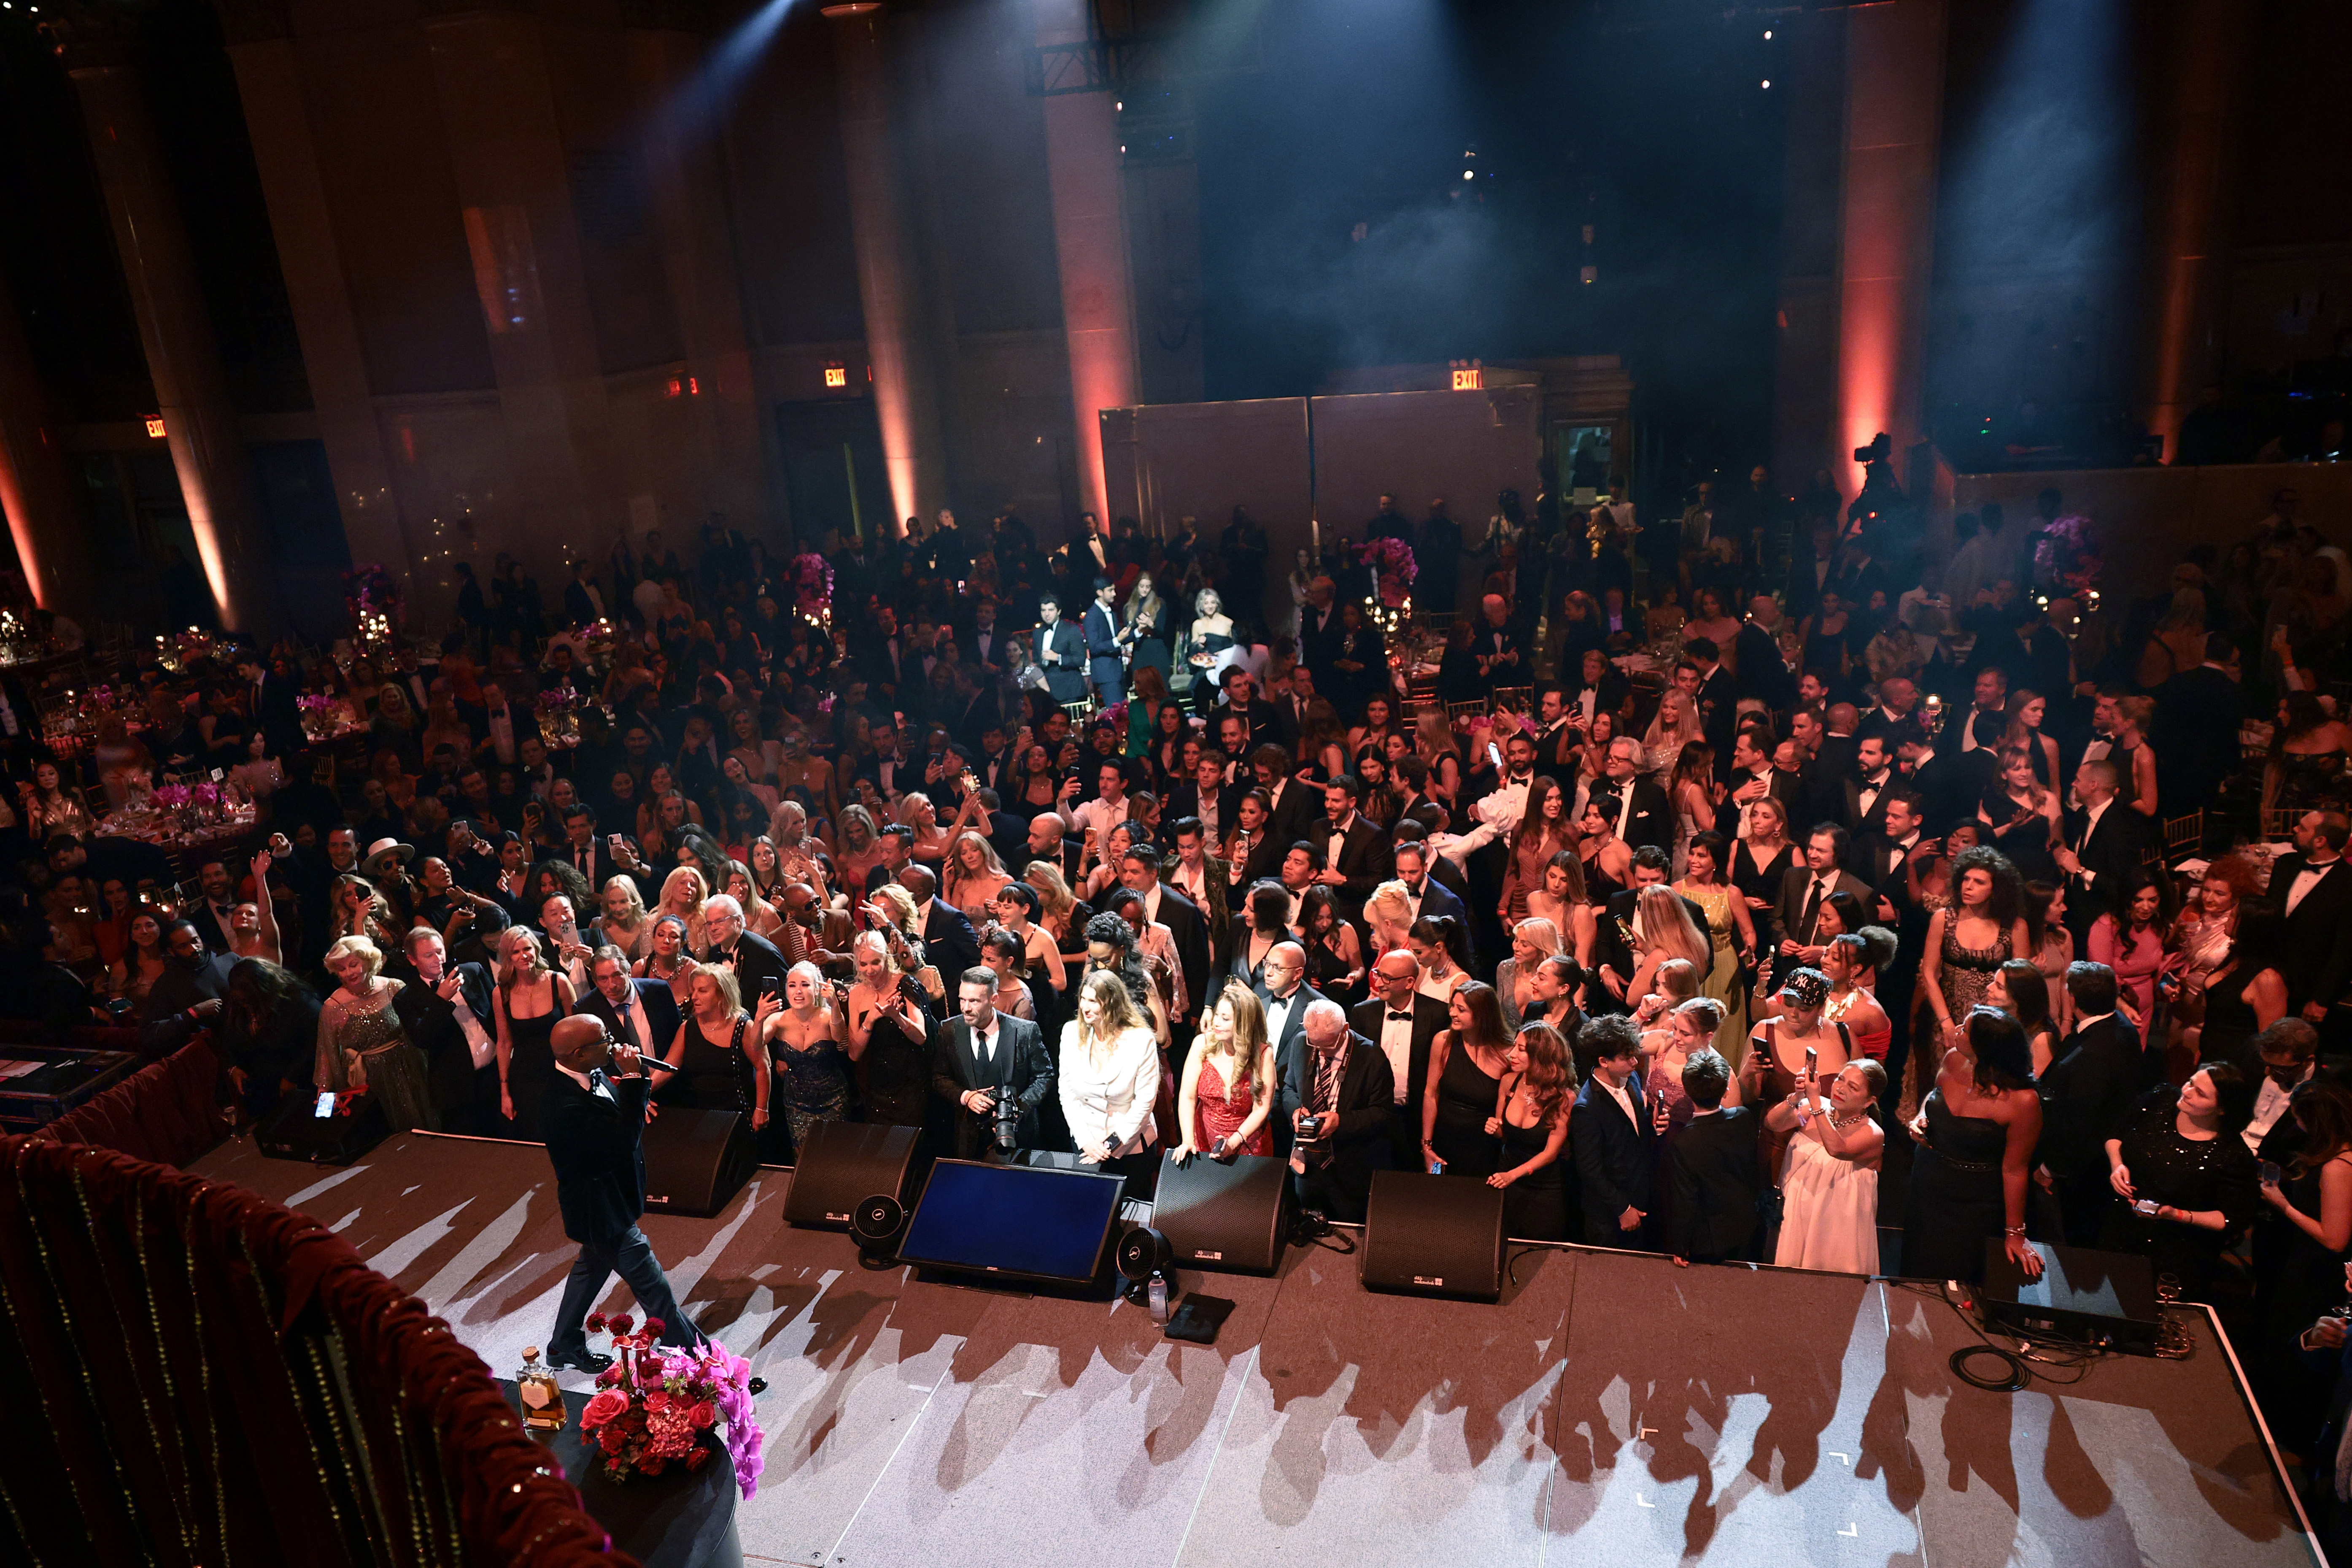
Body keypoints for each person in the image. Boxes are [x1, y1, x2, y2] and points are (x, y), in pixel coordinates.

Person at [540, 1014, 704, 1372]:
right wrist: (632, 1079)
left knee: (590, 1271)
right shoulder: (561, 1104)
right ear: (579, 1054)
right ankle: (702, 1363)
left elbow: (619, 1121)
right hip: (601, 1211)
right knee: (656, 1290)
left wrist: (631, 1079)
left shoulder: (589, 1072)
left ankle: (562, 1344)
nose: (614, 1042)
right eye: (605, 1039)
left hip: (610, 1200)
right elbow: (621, 1142)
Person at [1904, 1007, 2045, 1285]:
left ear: (1986, 1047)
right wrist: (1920, 1117)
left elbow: (2015, 1169)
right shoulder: (1953, 1059)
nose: (1957, 1029)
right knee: (1916, 1268)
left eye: (1966, 1029)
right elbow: (1934, 1097)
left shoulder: (2024, 1101)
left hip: (1973, 1201)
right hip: (1928, 1183)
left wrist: (2015, 1232)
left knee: (1959, 1278)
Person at [2103, 1062, 2260, 1302]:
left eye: (2200, 1093)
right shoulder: (2160, 1100)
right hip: (2121, 1229)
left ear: (2222, 1109)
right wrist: (2118, 1165)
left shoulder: (2232, 1155)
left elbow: (2232, 1219)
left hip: (2178, 1251)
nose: (2186, 1092)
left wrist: (2175, 1214)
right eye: (2191, 1082)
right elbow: (2116, 1134)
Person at [2034, 962, 2143, 1246]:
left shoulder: (2093, 1055)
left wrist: (2049, 1169)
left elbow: (2078, 1122)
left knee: (2069, 1242)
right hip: (2096, 1159)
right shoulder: (2120, 1024)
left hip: (2081, 1172)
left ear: (2073, 999)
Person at [1769, 1056, 1886, 1274]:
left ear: (1869, 1101)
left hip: (1836, 1225)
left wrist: (1814, 1103)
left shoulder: (1872, 1133)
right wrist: (1797, 1097)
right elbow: (1774, 1124)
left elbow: (1837, 1149)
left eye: (1853, 1087)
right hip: (1799, 1212)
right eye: (1840, 1080)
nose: (1841, 1089)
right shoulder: (1813, 1109)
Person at [1282, 997, 1393, 1224]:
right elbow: (1288, 1088)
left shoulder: (1371, 1056)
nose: (1321, 1052)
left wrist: (1340, 1122)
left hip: (1348, 1163)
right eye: (1316, 1045)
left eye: (1327, 1045)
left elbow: (1382, 1113)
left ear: (1345, 1030)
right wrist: (1295, 1110)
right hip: (1307, 1159)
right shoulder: (1302, 1042)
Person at [932, 966, 1055, 1160]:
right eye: (962, 999)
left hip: (1016, 1136)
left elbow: (1044, 1075)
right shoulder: (948, 1030)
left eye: (974, 1001)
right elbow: (939, 1077)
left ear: (994, 1000)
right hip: (968, 1139)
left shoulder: (1024, 1031)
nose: (966, 1008)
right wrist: (966, 1097)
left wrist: (1019, 1107)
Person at [314, 935, 434, 1131]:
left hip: (409, 1068)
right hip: (368, 1082)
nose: (348, 973)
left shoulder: (394, 986)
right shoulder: (332, 1007)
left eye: (353, 965)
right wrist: (324, 1097)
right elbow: (327, 1054)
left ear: (369, 961)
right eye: (341, 969)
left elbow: (419, 1029)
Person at [1059, 970, 1162, 1197]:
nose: (1085, 1007)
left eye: (1093, 1001)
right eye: (1083, 999)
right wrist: (1086, 1141)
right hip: (1087, 1146)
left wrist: (1110, 1145)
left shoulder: (1140, 1040)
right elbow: (1067, 1094)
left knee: (1128, 1219)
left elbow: (1145, 1103)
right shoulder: (1070, 1033)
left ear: (1112, 1003)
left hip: (1131, 1147)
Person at [1662, 1046, 1761, 1265]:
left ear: (1687, 1092)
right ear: (1726, 1090)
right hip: (1747, 1228)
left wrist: (1680, 1245)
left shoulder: (1685, 1142)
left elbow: (1685, 1199)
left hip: (1708, 1240)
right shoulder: (1744, 1118)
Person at [1483, 1021, 1574, 1241]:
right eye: (1515, 1046)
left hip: (1542, 1188)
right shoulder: (1508, 1082)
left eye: (1521, 1050)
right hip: (1506, 1177)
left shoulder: (1564, 1098)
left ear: (1541, 1055)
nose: (1511, 1055)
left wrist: (1512, 1176)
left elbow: (1550, 1153)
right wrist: (1494, 1129)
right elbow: (1504, 1135)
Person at [1572, 1015, 1654, 1248]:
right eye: (1626, 1058)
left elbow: (1633, 1134)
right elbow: (1591, 1170)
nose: (1635, 1063)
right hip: (1609, 1217)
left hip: (1640, 1196)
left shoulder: (1632, 1079)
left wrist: (1654, 1124)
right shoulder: (1587, 1108)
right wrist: (1623, 1209)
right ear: (1604, 1061)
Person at [764, 961, 858, 1161]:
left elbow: (839, 1034)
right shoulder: (778, 1020)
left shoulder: (827, 1015)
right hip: (796, 1101)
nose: (798, 991)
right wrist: (759, 1016)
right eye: (792, 985)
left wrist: (834, 1005)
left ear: (817, 989)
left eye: (805, 985)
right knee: (803, 1158)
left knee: (835, 1158)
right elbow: (755, 1045)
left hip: (833, 1098)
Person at [1176, 981, 1277, 1160]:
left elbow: (1262, 1109)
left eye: (1225, 1019)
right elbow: (1188, 1096)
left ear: (1243, 1024)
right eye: (1217, 1015)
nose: (1216, 1023)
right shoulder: (1202, 1043)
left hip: (1248, 1142)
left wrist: (1233, 1142)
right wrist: (1188, 1140)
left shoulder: (1263, 1054)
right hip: (1204, 1138)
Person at [1422, 980, 1512, 1179]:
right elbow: (1430, 1094)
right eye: (1453, 1006)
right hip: (1442, 1144)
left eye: (1461, 1009)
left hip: (1484, 1150)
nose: (1453, 1013)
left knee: (1476, 1204)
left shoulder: (1508, 1054)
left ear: (1482, 1014)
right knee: (1438, 1193)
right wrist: (1427, 1146)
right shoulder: (1443, 1041)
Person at [494, 927, 576, 1140]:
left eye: (527, 949)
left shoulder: (558, 982)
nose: (524, 956)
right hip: (525, 1079)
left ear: (536, 949)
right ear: (507, 957)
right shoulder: (500, 993)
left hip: (560, 1073)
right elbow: (504, 1043)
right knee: (535, 1138)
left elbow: (578, 1032)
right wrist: (505, 1092)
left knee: (567, 1136)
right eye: (516, 952)